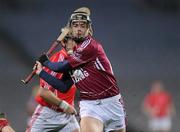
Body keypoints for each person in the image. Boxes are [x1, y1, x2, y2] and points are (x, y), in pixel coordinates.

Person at [34, 7, 126, 132]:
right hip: (90, 106)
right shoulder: (72, 58)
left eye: (83, 26)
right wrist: (41, 72)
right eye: (75, 26)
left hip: (112, 102)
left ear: (88, 29)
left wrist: (45, 61)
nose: (79, 29)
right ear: (71, 30)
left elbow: (60, 67)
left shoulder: (90, 46)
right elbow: (63, 86)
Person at [26, 31, 80, 132]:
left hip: (67, 115)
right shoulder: (57, 60)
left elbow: (65, 87)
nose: (78, 44)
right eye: (74, 41)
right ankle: (3, 124)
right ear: (64, 43)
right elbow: (43, 92)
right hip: (48, 114)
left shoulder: (76, 59)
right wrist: (65, 106)